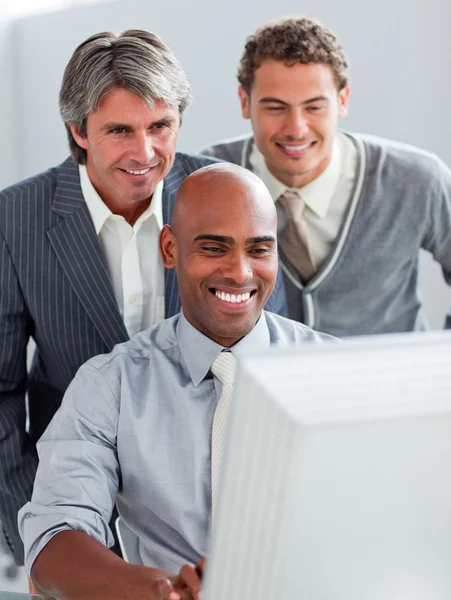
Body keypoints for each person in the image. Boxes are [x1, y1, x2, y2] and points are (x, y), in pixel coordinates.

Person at [0, 29, 285, 566]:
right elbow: (1, 390)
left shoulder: (228, 194)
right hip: (76, 499)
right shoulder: (15, 221)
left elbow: (267, 345)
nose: (145, 151)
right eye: (120, 130)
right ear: (79, 131)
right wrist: (35, 534)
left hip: (208, 507)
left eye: (161, 126)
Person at [18, 163, 330, 600]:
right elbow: (53, 538)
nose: (240, 273)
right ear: (169, 248)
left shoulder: (335, 372)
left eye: (259, 249)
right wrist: (158, 591)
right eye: (214, 248)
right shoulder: (113, 384)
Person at [200, 16, 451, 337]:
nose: (296, 129)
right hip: (255, 384)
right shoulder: (206, 178)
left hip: (391, 383)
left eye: (314, 107)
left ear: (342, 101)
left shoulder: (417, 180)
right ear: (245, 102)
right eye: (275, 108)